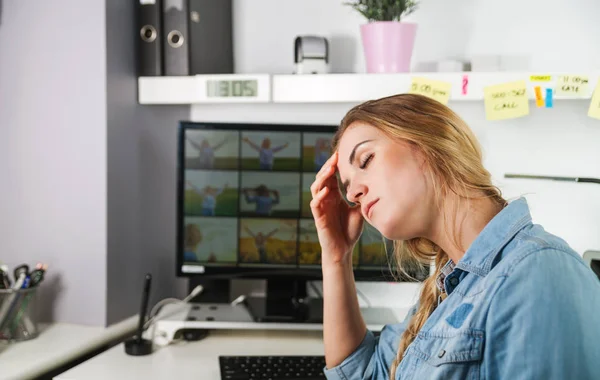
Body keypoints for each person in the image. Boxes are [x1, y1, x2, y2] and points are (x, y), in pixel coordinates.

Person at [310, 94, 600, 380]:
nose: (351, 194)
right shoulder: (446, 291)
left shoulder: (538, 274)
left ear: (427, 143)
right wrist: (337, 257)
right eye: (346, 186)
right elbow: (362, 373)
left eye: (366, 159)